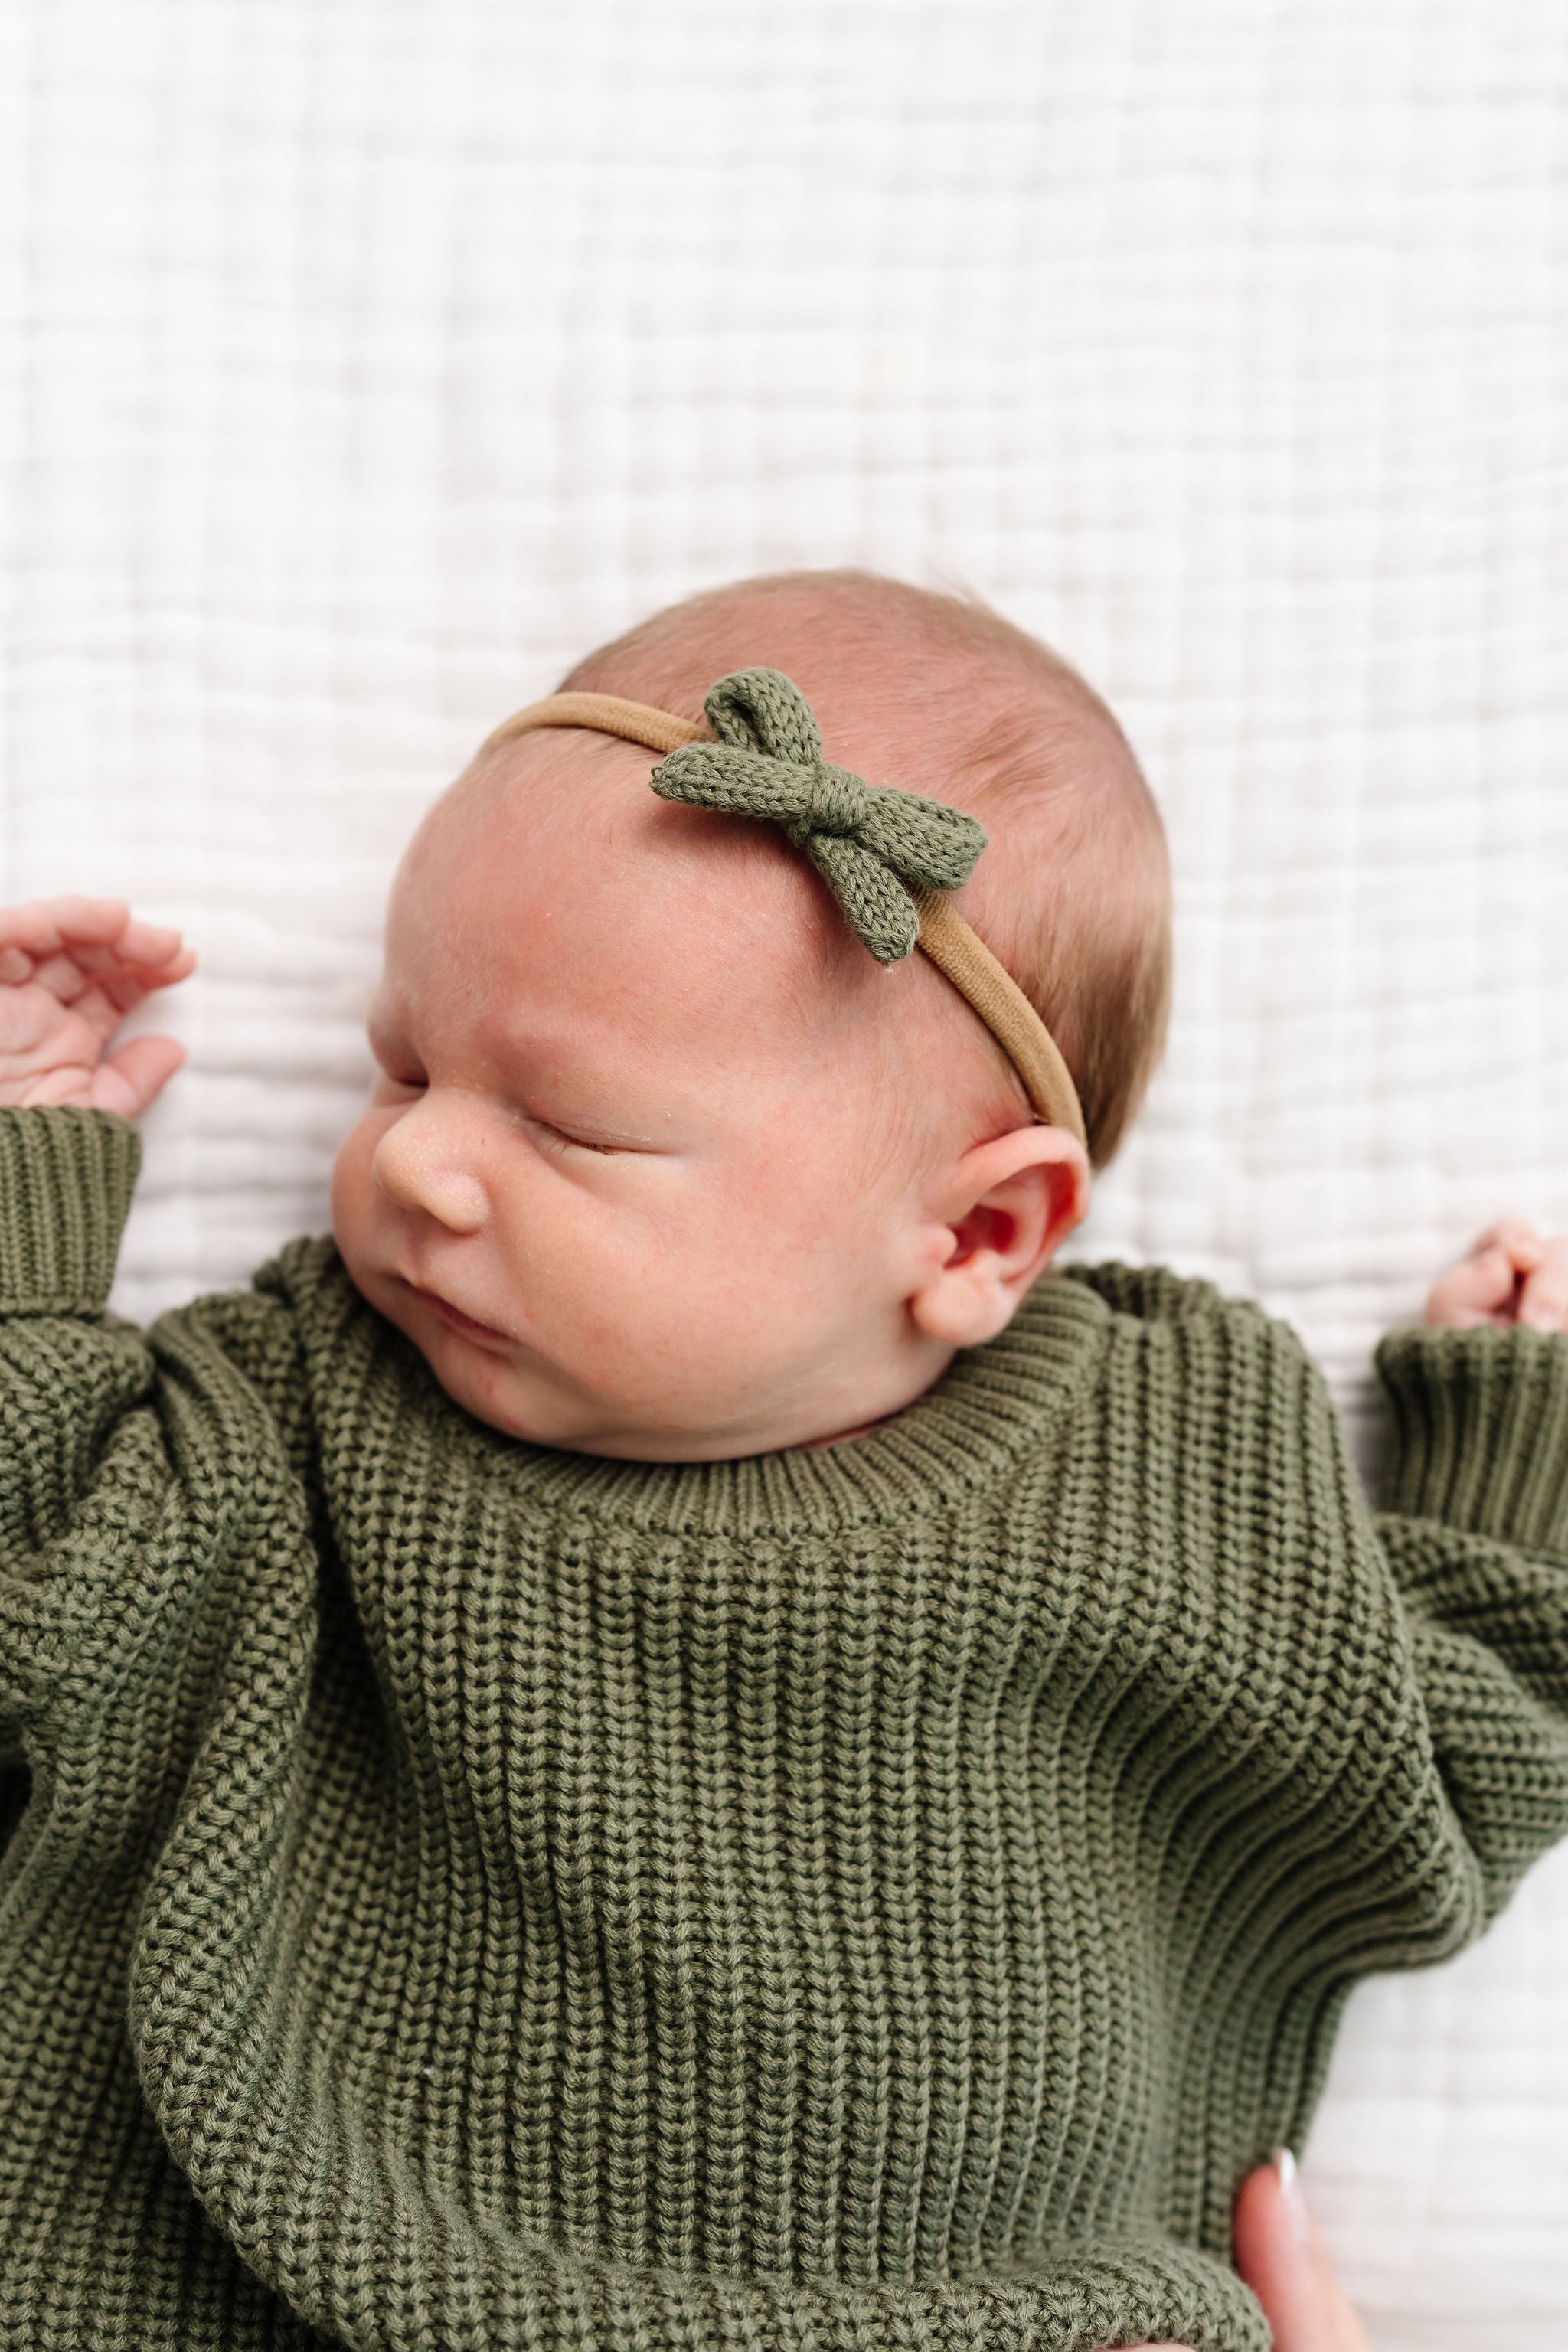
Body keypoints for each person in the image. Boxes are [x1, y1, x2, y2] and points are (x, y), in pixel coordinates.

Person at [2, 570, 1564, 2352]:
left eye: (566, 1124)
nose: (420, 1166)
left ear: (979, 1235)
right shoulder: (303, 1414)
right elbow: (41, 1575)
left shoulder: (1172, 1466)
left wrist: (1506, 1460)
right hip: (281, 2259)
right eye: (400, 1066)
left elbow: (1425, 1778)